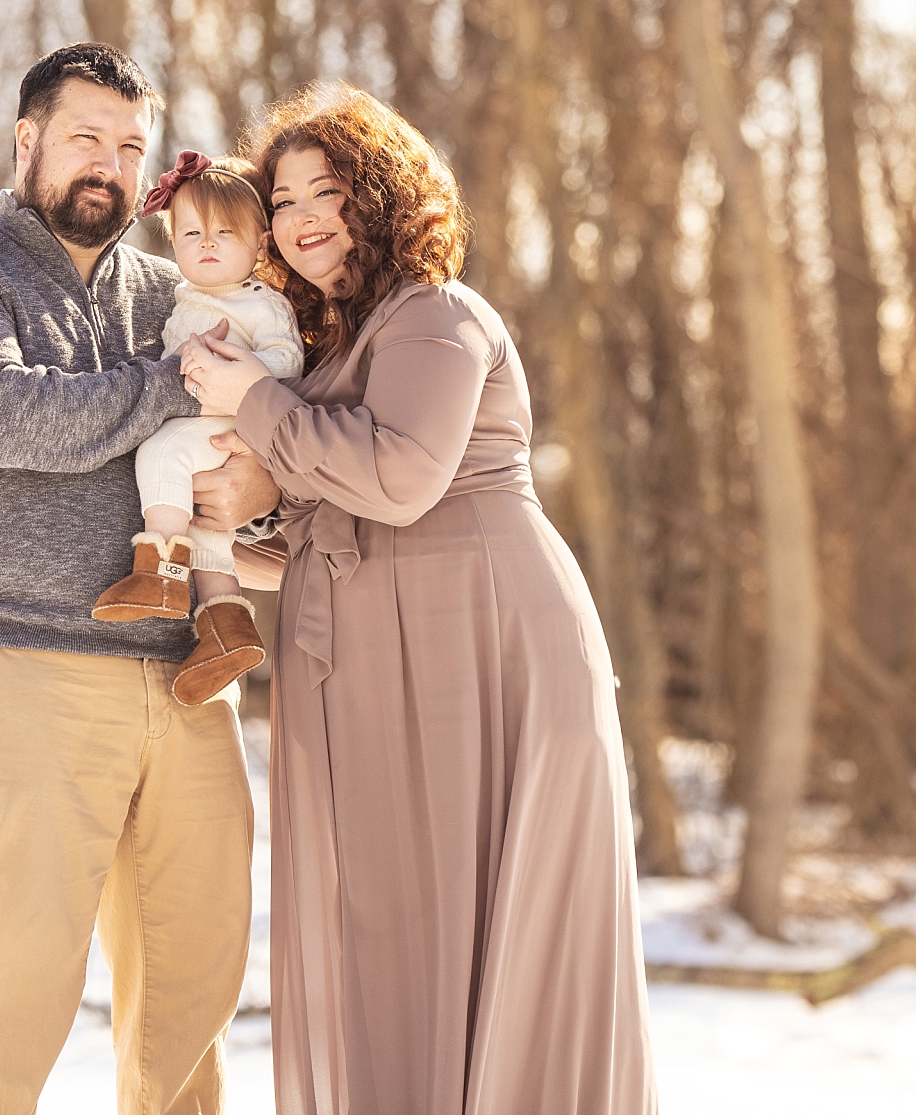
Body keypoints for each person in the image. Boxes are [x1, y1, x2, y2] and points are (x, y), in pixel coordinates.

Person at [180, 83, 659, 1115]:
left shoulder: (434, 315)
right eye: (284, 198)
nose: (304, 216)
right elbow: (327, 534)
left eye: (330, 191)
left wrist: (252, 404)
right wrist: (212, 533)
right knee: (388, 930)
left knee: (476, 925)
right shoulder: (327, 350)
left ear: (382, 197)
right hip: (368, 663)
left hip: (480, 649)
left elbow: (399, 480)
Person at [0, 43, 279, 1114]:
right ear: (29, 140)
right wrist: (173, 384)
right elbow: (3, 420)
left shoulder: (176, 287)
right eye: (84, 138)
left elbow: (248, 435)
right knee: (14, 986)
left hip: (184, 677)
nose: (107, 163)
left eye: (128, 145)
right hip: (19, 659)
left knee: (190, 1003)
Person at [92, 150, 303, 705]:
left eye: (223, 233)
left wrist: (240, 373)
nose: (205, 244)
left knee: (158, 455)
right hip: (207, 425)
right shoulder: (184, 295)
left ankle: (159, 568)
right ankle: (225, 628)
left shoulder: (262, 305)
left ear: (260, 245)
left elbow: (287, 366)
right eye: (190, 233)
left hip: (229, 425)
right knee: (211, 532)